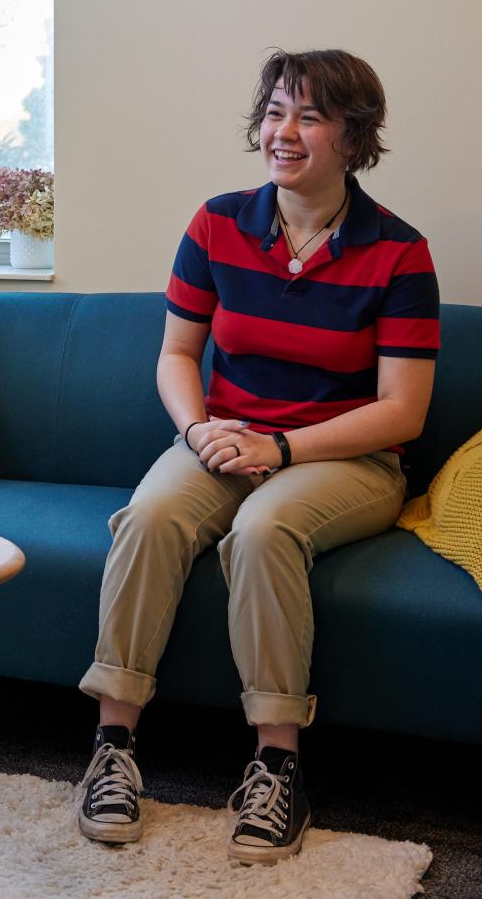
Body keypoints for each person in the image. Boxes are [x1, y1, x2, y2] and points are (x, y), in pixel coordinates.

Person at [75, 49, 438, 862]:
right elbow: (176, 356)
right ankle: (112, 750)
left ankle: (278, 768)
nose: (283, 131)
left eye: (309, 116)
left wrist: (280, 447)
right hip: (226, 437)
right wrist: (201, 429)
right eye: (275, 112)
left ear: (353, 136)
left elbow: (401, 411)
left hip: (346, 459)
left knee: (263, 533)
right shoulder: (216, 222)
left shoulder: (400, 253)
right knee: (148, 517)